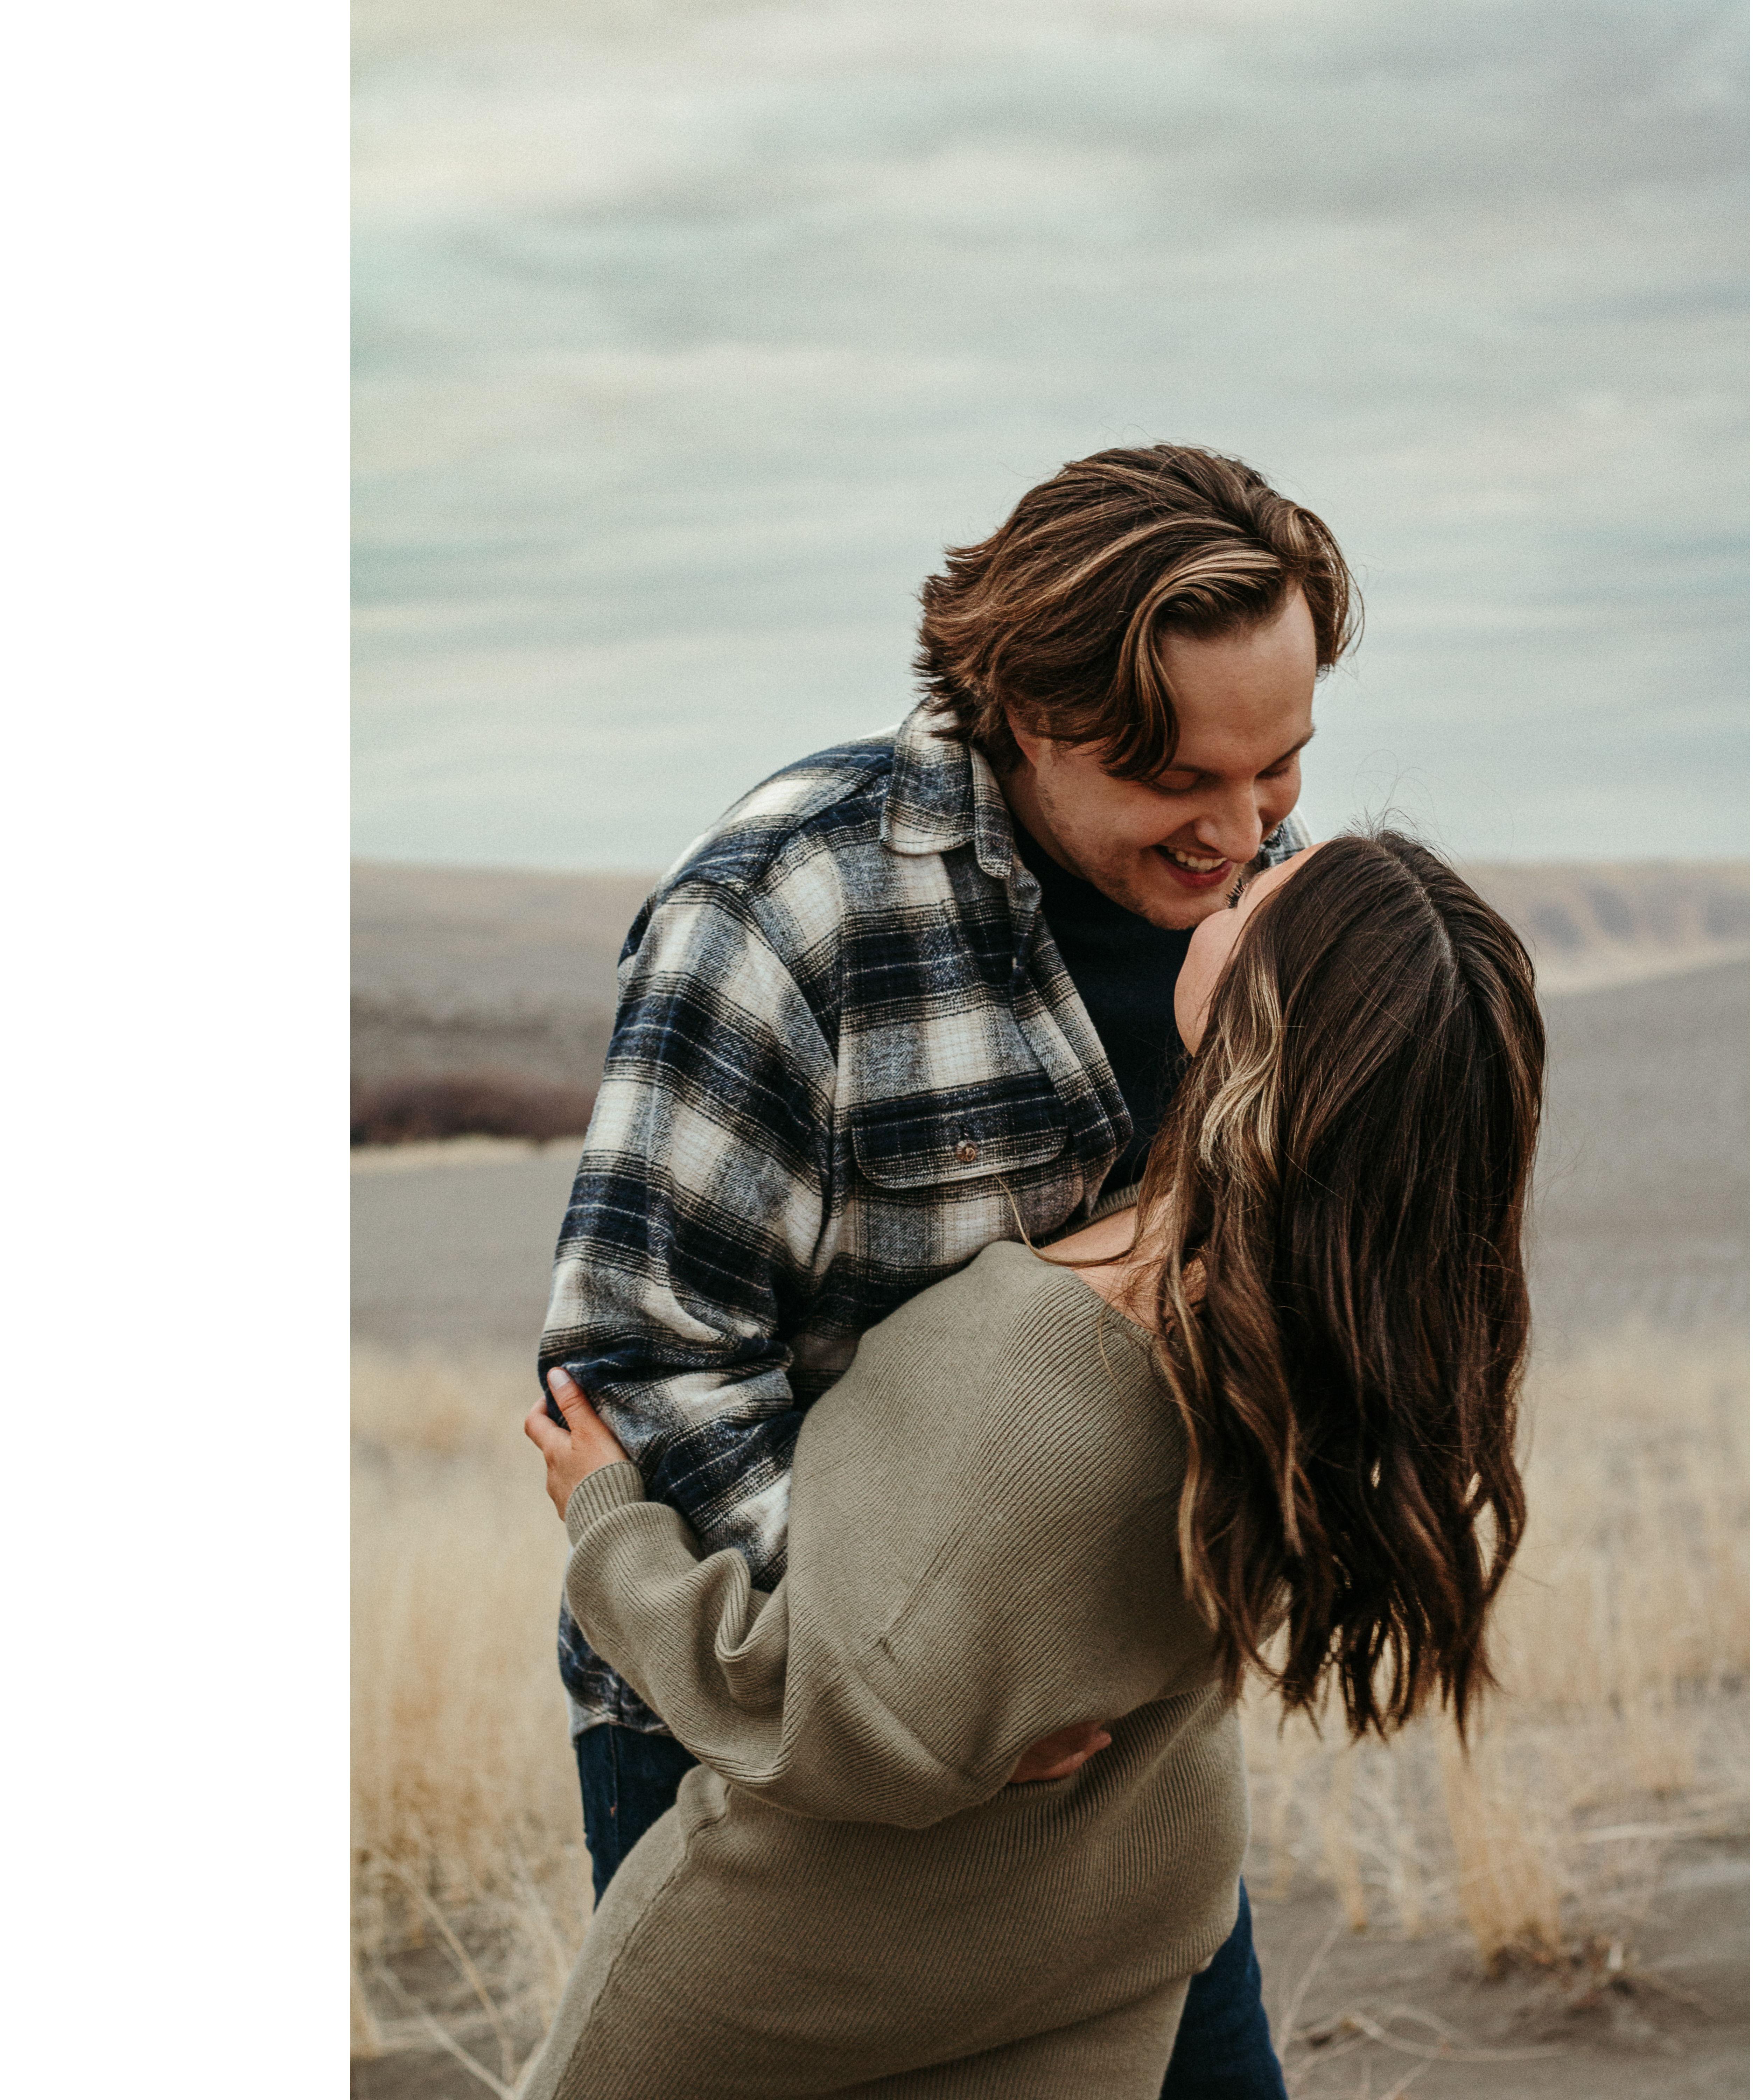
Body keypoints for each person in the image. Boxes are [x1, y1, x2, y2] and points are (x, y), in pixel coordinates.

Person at [539, 444, 1357, 2090]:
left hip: (1128, 1769)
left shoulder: (1267, 921)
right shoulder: (784, 910)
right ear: (1033, 713)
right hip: (774, 1745)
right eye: (1182, 779)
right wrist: (932, 1686)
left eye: (1280, 767)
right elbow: (645, 1366)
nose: (1243, 829)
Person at [522, 829, 1545, 2098]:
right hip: (1103, 1942)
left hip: (817, 1975)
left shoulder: (1056, 1374)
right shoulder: (1305, 1352)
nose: (1235, 873)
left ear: (1265, 1015)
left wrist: (610, 1526)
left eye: (1256, 900)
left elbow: (816, 1711)